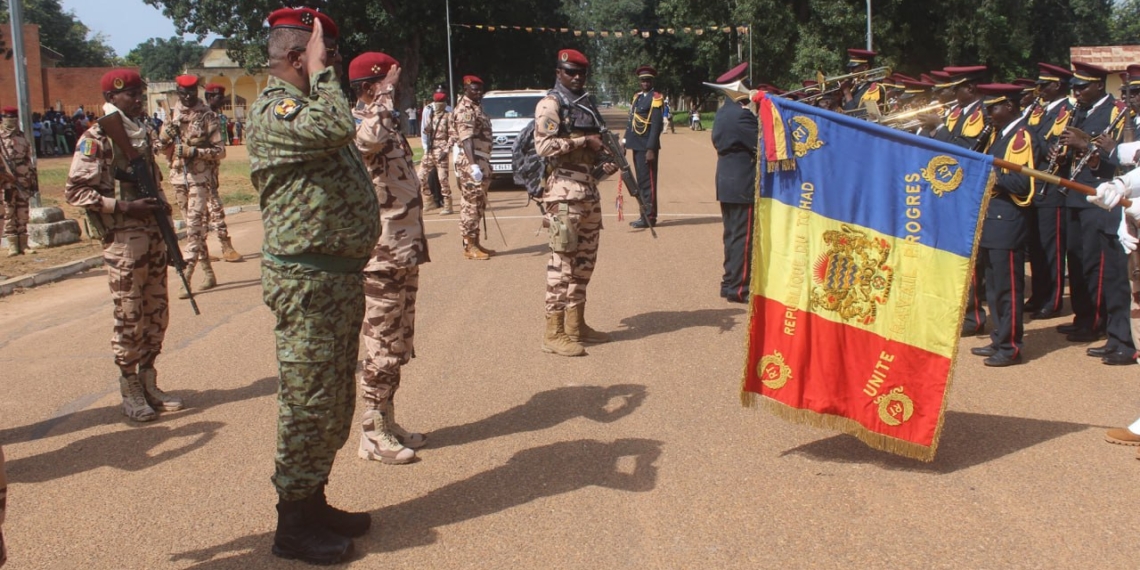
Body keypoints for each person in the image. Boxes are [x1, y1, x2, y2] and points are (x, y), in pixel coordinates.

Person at [246, 8, 379, 563]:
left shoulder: (311, 106)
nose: (337, 62)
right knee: (307, 401)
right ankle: (293, 526)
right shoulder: (276, 109)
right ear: (299, 58)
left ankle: (314, 500)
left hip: (333, 280)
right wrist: (324, 74)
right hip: (306, 281)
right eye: (329, 53)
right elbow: (335, 127)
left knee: (333, 400)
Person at [64, 69, 184, 422]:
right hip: (123, 240)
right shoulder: (96, 138)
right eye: (130, 94)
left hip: (152, 234)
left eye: (139, 93)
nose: (137, 100)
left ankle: (149, 381)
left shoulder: (141, 132)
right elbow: (76, 192)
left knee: (156, 312)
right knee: (130, 314)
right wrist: (122, 207)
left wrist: (167, 230)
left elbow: (153, 185)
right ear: (111, 98)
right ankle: (130, 385)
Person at [348, 52, 430, 465]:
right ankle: (371, 432)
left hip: (403, 251)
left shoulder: (388, 126)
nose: (395, 93)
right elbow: (366, 142)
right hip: (380, 256)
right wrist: (384, 97)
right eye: (388, 85)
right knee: (381, 346)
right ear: (369, 88)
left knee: (398, 344)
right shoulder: (358, 124)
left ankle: (387, 419)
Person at [534, 48, 617, 357]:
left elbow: (592, 152)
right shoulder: (550, 104)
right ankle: (553, 333)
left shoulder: (586, 104)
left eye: (582, 72)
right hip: (563, 194)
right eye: (571, 72)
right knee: (562, 264)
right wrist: (584, 141)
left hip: (587, 191)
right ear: (559, 72)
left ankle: (575, 324)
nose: (577, 77)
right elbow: (543, 147)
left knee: (584, 263)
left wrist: (605, 162)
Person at [968, 83, 1046, 367]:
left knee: (1008, 288)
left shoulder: (1021, 136)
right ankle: (999, 337)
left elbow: (1023, 182)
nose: (988, 113)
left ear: (1010, 106)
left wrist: (989, 177)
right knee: (993, 287)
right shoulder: (1000, 134)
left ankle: (1011, 346)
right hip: (992, 220)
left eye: (994, 108)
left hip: (1008, 220)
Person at [1061, 61, 1133, 364]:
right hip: (1078, 193)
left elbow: (1118, 162)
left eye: (1082, 86)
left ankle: (1101, 325)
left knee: (1100, 266)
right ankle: (1089, 318)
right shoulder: (1080, 111)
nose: (1077, 92)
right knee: (1078, 260)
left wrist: (1085, 145)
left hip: (1103, 196)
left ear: (1098, 85)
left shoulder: (1116, 113)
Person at [919, 65, 989, 336]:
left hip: (966, 190)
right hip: (949, 188)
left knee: (966, 257)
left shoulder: (980, 114)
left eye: (956, 88)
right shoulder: (960, 112)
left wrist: (939, 127)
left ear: (970, 88)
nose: (951, 93)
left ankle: (972, 316)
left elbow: (967, 150)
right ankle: (953, 311)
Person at [155, 74, 226, 299]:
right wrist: (165, 136)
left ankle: (186, 276)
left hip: (200, 178)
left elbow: (220, 151)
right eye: (183, 93)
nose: (187, 97)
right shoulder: (172, 115)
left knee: (194, 226)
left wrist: (193, 151)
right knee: (192, 226)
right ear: (178, 92)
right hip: (178, 178)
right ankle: (208, 273)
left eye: (192, 93)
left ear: (197, 91)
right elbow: (158, 147)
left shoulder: (207, 116)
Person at [1024, 62, 1075, 320]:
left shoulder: (1068, 111)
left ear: (1057, 85)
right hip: (1035, 186)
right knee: (1036, 246)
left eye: (1044, 86)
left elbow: (1058, 149)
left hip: (1053, 187)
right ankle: (1039, 293)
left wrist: (1038, 143)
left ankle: (1053, 300)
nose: (1039, 90)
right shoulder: (1040, 111)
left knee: (1051, 246)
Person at [709, 63, 757, 305]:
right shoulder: (741, 115)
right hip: (742, 182)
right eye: (746, 84)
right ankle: (740, 289)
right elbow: (761, 144)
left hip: (727, 180)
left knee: (731, 236)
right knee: (742, 238)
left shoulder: (723, 113)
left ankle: (729, 282)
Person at [450, 74, 495, 259]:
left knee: (479, 204)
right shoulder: (465, 110)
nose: (478, 93)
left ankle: (475, 242)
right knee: (470, 205)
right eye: (474, 89)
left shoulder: (477, 108)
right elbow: (466, 138)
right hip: (472, 160)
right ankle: (469, 245)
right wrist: (473, 165)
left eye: (480, 89)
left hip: (481, 159)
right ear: (466, 89)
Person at [202, 83, 244, 262]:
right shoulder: (201, 116)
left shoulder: (215, 115)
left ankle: (203, 248)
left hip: (212, 169)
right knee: (214, 208)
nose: (222, 101)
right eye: (219, 98)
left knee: (206, 210)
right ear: (209, 97)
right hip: (200, 170)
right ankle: (225, 246)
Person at [624, 64, 664, 229]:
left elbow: (656, 126)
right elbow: (631, 121)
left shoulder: (656, 98)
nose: (645, 83)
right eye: (642, 81)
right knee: (640, 182)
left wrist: (650, 149)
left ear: (652, 81)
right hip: (636, 145)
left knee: (648, 183)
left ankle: (650, 216)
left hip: (647, 147)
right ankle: (644, 214)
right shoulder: (637, 97)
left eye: (648, 80)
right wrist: (625, 142)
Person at [1, 106, 38, 257]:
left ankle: (24, 244)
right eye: (8, 118)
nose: (11, 121)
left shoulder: (22, 137)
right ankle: (12, 245)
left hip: (23, 181)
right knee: (9, 211)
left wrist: (33, 181)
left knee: (23, 212)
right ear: (3, 119)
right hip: (6, 183)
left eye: (14, 118)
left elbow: (28, 160)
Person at [418, 91, 453, 214]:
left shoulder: (449, 116)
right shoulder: (431, 115)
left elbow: (453, 135)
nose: (438, 105)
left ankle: (448, 204)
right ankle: (429, 200)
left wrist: (446, 150)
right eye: (436, 102)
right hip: (430, 150)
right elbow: (425, 130)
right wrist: (427, 129)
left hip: (441, 149)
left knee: (443, 179)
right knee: (421, 177)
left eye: (440, 102)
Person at [840, 48, 886, 119]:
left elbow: (860, 117)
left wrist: (847, 94)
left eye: (854, 67)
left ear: (865, 67)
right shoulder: (856, 87)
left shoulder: (874, 89)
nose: (850, 71)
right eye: (850, 68)